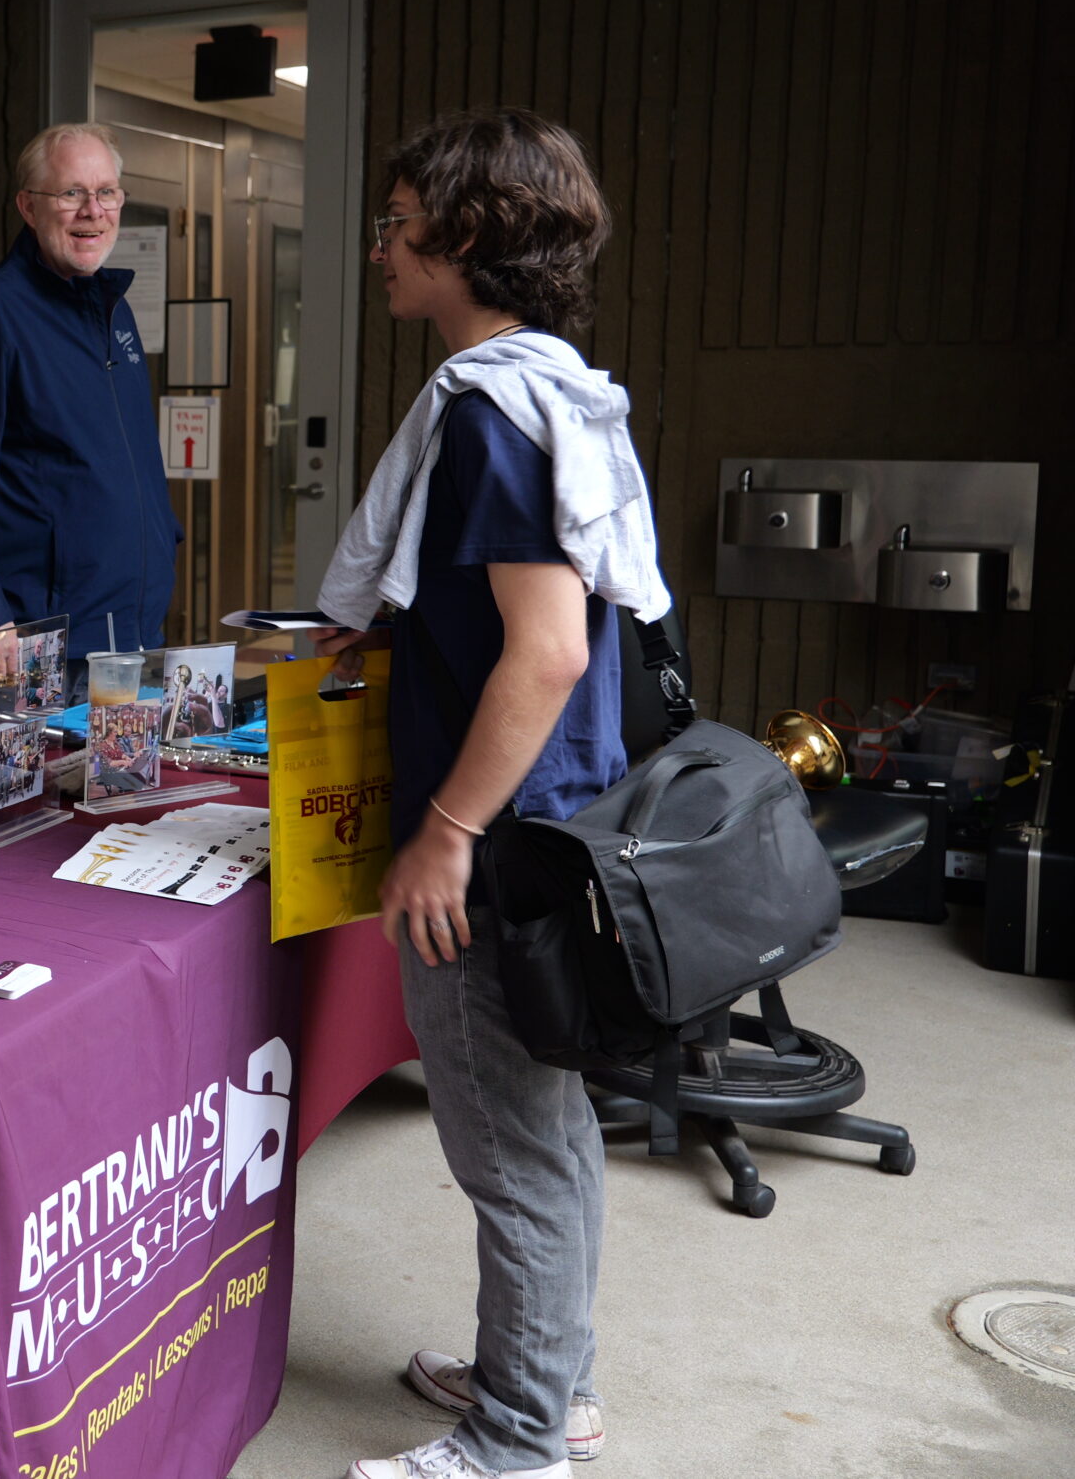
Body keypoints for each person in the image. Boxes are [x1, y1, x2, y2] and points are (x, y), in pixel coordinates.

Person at [315, 109, 668, 1479]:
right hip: (558, 821)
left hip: (501, 839)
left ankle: (520, 1435)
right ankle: (546, 1378)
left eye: (399, 224)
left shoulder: (491, 421)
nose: (382, 249)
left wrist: (444, 834)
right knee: (547, 1124)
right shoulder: (559, 389)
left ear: (468, 238)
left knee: (511, 1142)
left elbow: (551, 647)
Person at [0, 122, 181, 677]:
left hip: (123, 634)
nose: (93, 210)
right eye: (71, 193)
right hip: (28, 642)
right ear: (28, 208)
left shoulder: (113, 312)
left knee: (117, 770)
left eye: (106, 192)